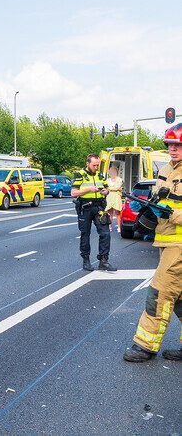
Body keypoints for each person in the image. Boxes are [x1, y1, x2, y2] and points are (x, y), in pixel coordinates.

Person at [123, 123, 182, 363]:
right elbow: (163, 201)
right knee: (180, 300)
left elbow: (173, 210)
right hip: (167, 244)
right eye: (170, 144)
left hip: (179, 247)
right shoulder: (168, 169)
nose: (173, 149)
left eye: (178, 145)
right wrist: (149, 211)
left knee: (159, 294)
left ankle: (145, 346)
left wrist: (171, 215)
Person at [71, 154, 117, 272]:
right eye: (94, 165)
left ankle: (103, 260)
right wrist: (88, 189)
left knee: (105, 233)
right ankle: (86, 260)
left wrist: (105, 192)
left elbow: (107, 190)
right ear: (88, 163)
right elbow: (74, 193)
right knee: (85, 234)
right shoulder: (80, 174)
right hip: (85, 207)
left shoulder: (100, 175)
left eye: (98, 165)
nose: (96, 167)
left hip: (99, 207)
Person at [105, 166, 124, 233]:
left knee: (118, 213)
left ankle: (119, 227)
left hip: (116, 197)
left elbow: (117, 187)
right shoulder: (107, 180)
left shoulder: (119, 179)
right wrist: (115, 188)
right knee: (109, 213)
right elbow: (106, 187)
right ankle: (109, 226)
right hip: (109, 196)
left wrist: (110, 188)